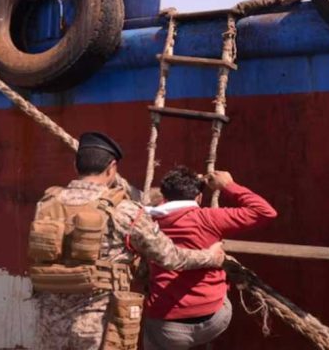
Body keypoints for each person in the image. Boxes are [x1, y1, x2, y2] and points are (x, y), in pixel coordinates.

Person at [29, 132, 226, 350]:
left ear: (76, 164)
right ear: (112, 168)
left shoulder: (47, 203)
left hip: (49, 322)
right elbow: (171, 257)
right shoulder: (125, 211)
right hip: (98, 326)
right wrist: (210, 256)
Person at [142, 167, 277, 350]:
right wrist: (229, 185)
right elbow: (265, 212)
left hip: (168, 327)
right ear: (198, 197)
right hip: (215, 319)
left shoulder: (146, 221)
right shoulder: (211, 218)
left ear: (164, 196)